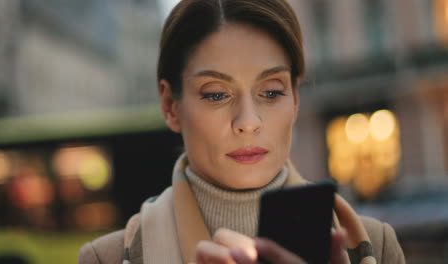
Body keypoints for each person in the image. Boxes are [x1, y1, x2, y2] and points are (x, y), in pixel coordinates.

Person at [79, 0, 405, 263]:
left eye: (272, 92)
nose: (248, 121)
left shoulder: (376, 246)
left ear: (295, 100)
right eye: (216, 94)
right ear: (170, 105)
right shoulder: (105, 258)